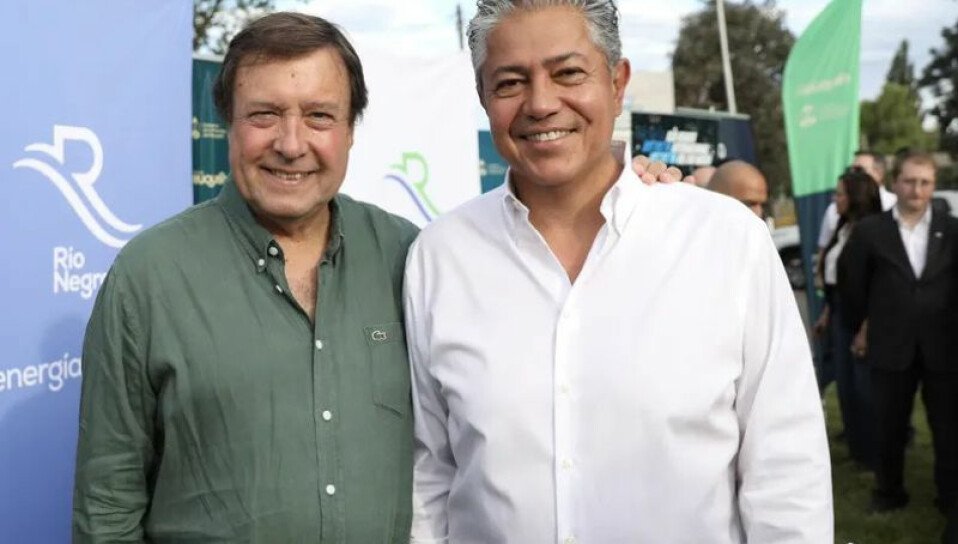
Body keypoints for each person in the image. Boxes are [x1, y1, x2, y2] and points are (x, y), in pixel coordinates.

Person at [404, 1, 832, 542]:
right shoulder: (440, 256)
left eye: (568, 73)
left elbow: (787, 471)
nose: (541, 103)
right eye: (510, 82)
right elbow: (430, 473)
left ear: (617, 81)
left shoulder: (726, 242)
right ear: (483, 96)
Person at [73, 13, 420, 542]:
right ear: (227, 124)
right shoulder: (147, 277)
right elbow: (107, 506)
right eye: (264, 115)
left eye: (319, 116)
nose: (291, 143)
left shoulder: (408, 256)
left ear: (350, 131)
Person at [839, 152, 958, 515]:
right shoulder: (870, 232)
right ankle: (889, 492)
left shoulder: (952, 230)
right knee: (888, 426)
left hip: (944, 347)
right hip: (890, 345)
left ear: (933, 186)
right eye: (909, 181)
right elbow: (852, 286)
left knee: (948, 428)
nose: (916, 190)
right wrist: (864, 326)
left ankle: (950, 497)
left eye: (924, 182)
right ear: (894, 182)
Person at [812, 168, 882, 469]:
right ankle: (857, 451)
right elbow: (838, 280)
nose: (835, 199)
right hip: (839, 313)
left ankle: (873, 455)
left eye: (840, 194)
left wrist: (865, 329)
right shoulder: (843, 228)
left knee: (864, 388)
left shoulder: (871, 232)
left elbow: (878, 286)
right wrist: (827, 314)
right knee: (846, 386)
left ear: (855, 196)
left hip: (863, 319)